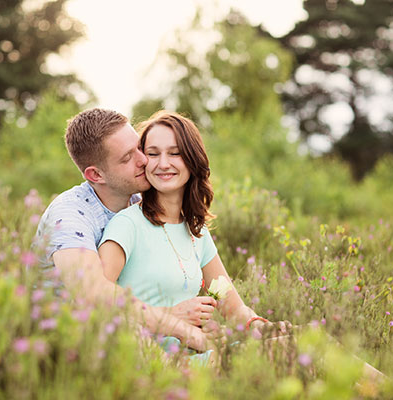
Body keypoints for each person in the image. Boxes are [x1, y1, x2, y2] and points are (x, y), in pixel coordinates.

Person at [97, 111, 290, 350]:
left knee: (306, 342)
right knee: (291, 352)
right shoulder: (127, 225)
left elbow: (233, 307)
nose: (163, 163)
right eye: (153, 154)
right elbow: (96, 300)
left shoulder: (196, 231)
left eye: (175, 153)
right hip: (157, 365)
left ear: (192, 159)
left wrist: (262, 326)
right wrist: (171, 316)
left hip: (200, 354)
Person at [33, 108, 214, 352]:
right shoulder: (69, 216)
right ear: (96, 174)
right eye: (127, 157)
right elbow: (93, 295)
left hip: (115, 332)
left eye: (139, 148)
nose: (144, 160)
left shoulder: (136, 201)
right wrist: (175, 323)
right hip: (55, 345)